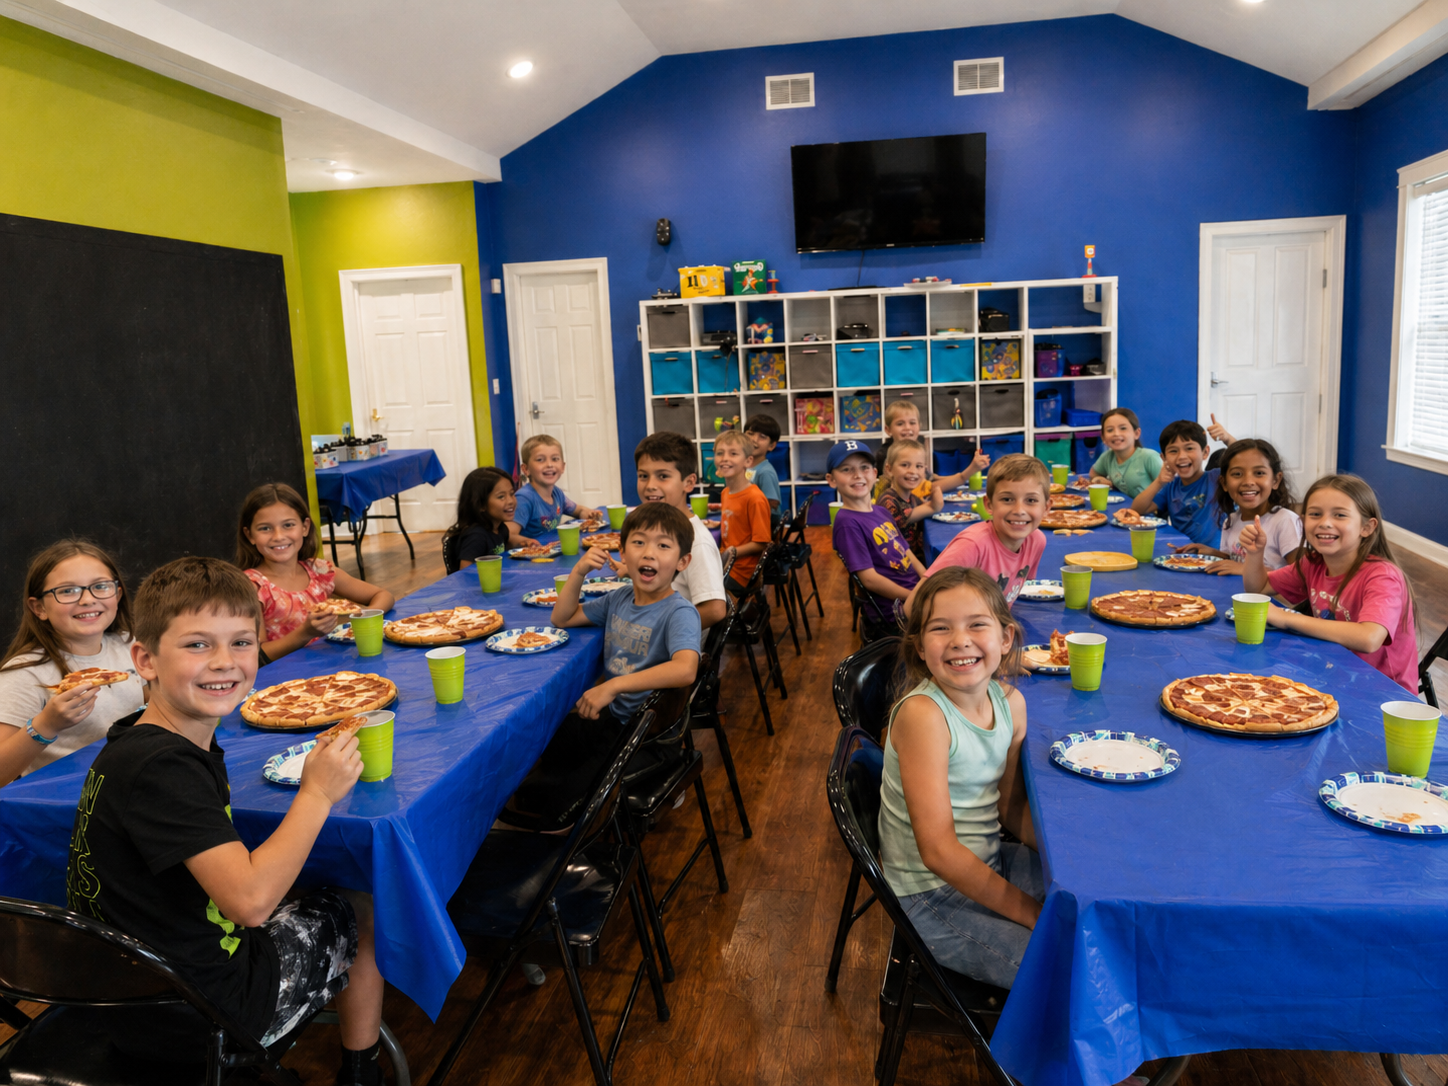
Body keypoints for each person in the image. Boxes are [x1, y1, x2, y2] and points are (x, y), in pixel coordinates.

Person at [65, 557, 386, 1084]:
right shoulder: (163, 768)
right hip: (197, 1014)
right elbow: (251, 903)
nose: (224, 662)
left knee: (306, 882)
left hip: (128, 990)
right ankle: (361, 1073)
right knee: (362, 900)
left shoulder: (138, 740)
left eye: (241, 642)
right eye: (197, 645)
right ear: (145, 659)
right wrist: (318, 792)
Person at [878, 566, 1041, 988]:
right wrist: (1029, 911)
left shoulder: (1011, 703)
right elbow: (938, 852)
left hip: (988, 860)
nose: (960, 640)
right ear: (919, 647)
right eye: (940, 628)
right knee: (1057, 971)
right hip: (929, 896)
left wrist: (1061, 855)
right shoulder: (924, 716)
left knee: (1086, 903)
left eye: (977, 624)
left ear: (1005, 637)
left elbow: (1008, 806)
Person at [505, 503, 701, 829]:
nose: (649, 553)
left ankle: (572, 841)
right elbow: (562, 618)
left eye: (663, 546)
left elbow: (686, 669)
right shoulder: (618, 599)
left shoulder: (679, 612)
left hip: (648, 740)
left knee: (564, 809)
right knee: (537, 744)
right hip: (614, 723)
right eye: (638, 542)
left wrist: (612, 685)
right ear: (622, 553)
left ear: (682, 561)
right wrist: (578, 573)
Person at [1242, 473, 1419, 691]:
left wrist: (1286, 618)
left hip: (1381, 692)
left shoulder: (1383, 576)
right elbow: (1258, 588)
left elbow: (1370, 638)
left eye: (1340, 515)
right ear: (1303, 521)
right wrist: (1255, 553)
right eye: (1315, 514)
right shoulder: (1313, 563)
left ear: (1367, 527)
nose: (1325, 523)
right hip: (1333, 674)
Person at [0, 541, 146, 787]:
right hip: (69, 799)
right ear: (39, 608)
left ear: (118, 594)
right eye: (68, 591)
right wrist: (46, 725)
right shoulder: (25, 674)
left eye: (100, 586)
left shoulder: (131, 645)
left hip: (132, 783)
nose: (88, 599)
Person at [236, 483, 393, 662]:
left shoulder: (320, 571)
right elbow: (256, 655)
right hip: (285, 676)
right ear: (249, 535)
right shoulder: (251, 587)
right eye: (265, 528)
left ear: (305, 527)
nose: (278, 536)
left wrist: (362, 619)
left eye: (288, 525)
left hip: (331, 668)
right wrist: (305, 633)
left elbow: (383, 595)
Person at [906, 453, 1049, 615]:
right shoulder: (971, 546)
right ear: (989, 505)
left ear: (1046, 508)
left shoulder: (1036, 541)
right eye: (1007, 499)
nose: (1019, 511)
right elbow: (912, 606)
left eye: (1031, 500)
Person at [828, 439, 921, 637]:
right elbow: (869, 580)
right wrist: (914, 596)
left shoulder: (881, 511)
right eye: (846, 469)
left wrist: (928, 578)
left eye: (864, 468)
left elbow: (907, 552)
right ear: (831, 480)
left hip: (914, 593)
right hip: (895, 610)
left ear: (875, 474)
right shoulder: (847, 522)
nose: (858, 475)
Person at [635, 431, 727, 628]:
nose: (650, 485)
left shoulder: (695, 541)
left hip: (672, 641)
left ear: (689, 483)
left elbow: (715, 610)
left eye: (663, 476)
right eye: (643, 476)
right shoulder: (662, 529)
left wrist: (661, 628)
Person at [1174, 439, 1301, 575]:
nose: (1248, 482)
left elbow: (1300, 575)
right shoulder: (1231, 521)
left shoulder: (1285, 520)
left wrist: (1247, 570)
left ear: (1275, 480)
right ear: (1224, 483)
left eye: (1259, 473)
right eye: (1237, 474)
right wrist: (1213, 553)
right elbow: (1236, 560)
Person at [874, 399, 987, 501]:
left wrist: (962, 477)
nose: (907, 427)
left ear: (919, 426)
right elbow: (924, 488)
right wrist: (967, 473)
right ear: (888, 430)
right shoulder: (889, 457)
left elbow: (931, 479)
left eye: (912, 423)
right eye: (900, 424)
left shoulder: (917, 451)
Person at [1130, 420, 1220, 546]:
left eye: (1189, 448)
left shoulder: (1216, 479)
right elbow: (1137, 509)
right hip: (1181, 553)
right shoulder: (1170, 487)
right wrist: (1158, 482)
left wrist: (1227, 439)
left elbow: (1247, 463)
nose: (1181, 456)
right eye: (1173, 451)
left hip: (1213, 554)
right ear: (1163, 458)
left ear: (1205, 452)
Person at [713, 429, 773, 594]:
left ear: (748, 461)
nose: (725, 458)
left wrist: (730, 553)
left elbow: (761, 543)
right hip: (726, 564)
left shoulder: (754, 498)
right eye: (720, 453)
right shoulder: (726, 492)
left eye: (733, 453)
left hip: (741, 573)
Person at [444, 467, 534, 568]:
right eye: (501, 497)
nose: (511, 501)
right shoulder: (476, 537)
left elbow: (502, 547)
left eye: (512, 494)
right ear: (481, 505)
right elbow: (465, 572)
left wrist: (524, 543)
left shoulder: (501, 528)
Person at [513, 434, 600, 536]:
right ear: (526, 469)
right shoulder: (524, 499)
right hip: (535, 546)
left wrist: (589, 513)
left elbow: (578, 510)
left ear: (563, 467)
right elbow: (510, 535)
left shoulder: (557, 493)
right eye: (540, 460)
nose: (549, 465)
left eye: (555, 459)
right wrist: (529, 542)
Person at [879, 439, 943, 563]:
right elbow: (914, 514)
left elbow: (922, 508)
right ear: (889, 469)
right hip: (898, 564)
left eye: (919, 466)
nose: (913, 471)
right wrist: (934, 505)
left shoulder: (912, 497)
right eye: (905, 465)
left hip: (914, 558)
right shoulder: (888, 502)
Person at [1084, 407, 1162, 497]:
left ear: (1136, 433)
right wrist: (1099, 479)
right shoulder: (1107, 457)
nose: (1116, 434)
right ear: (1103, 437)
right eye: (1110, 430)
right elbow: (1093, 473)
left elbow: (1169, 490)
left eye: (1123, 428)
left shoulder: (1149, 457)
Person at [742, 414, 783, 518]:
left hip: (764, 522)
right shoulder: (742, 467)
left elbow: (772, 505)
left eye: (762, 437)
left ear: (771, 445)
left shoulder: (765, 472)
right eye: (750, 434)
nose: (754, 439)